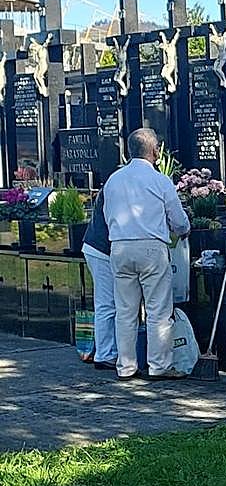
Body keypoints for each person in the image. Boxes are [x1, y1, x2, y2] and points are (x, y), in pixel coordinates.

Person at [103, 128, 191, 380]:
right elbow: (178, 220)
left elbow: (107, 215)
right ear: (154, 152)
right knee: (158, 310)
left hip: (119, 246)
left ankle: (126, 366)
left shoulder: (114, 179)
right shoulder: (159, 181)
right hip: (151, 247)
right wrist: (184, 229)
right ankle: (158, 366)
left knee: (125, 310)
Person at [81, 188, 117, 371]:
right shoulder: (119, 186)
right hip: (102, 250)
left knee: (109, 303)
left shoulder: (115, 183)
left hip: (98, 247)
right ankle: (105, 353)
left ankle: (108, 351)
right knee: (107, 303)